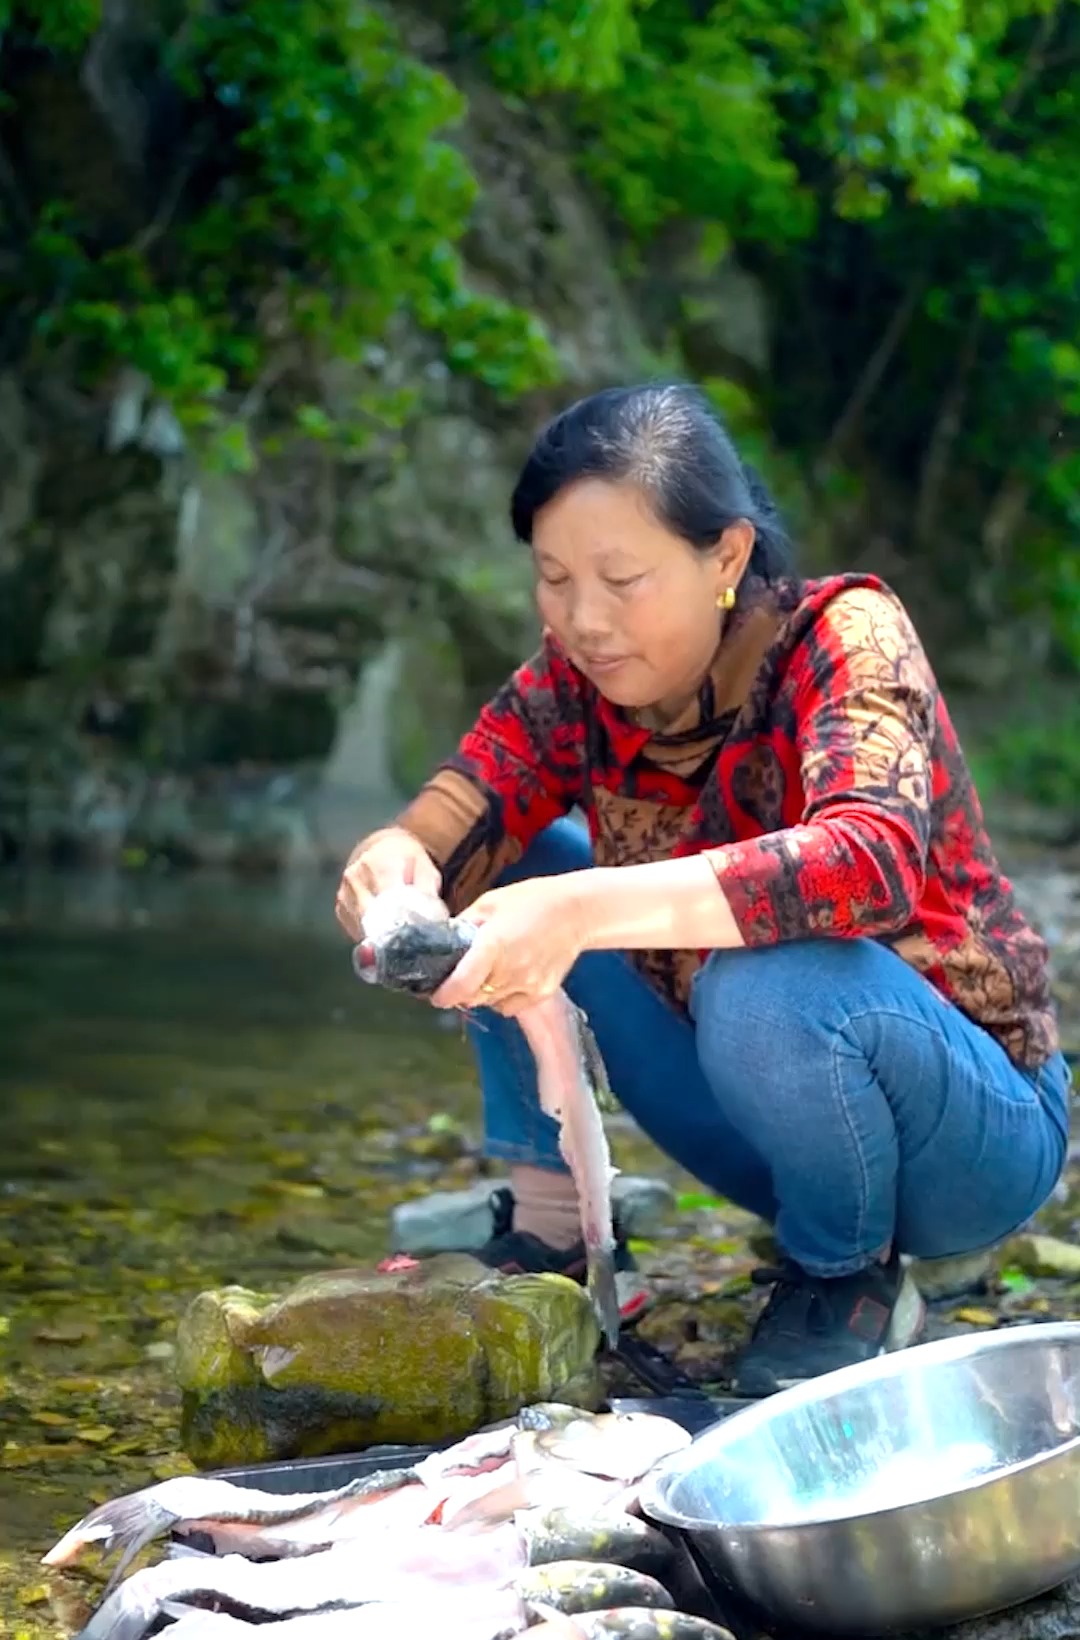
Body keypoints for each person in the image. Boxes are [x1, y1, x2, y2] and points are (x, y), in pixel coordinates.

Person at [335, 381, 1071, 1397]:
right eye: (553, 579)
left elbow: (868, 857)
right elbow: (458, 814)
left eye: (621, 579)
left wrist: (586, 909)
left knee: (763, 978)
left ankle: (843, 1279)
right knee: (515, 864)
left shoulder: (842, 637)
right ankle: (559, 1224)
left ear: (725, 555)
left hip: (969, 1133)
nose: (584, 619)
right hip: (767, 1127)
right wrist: (393, 864)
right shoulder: (573, 686)